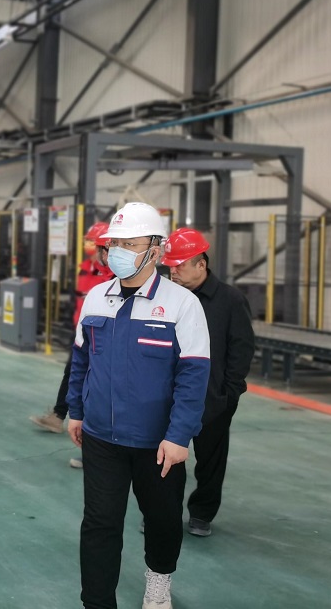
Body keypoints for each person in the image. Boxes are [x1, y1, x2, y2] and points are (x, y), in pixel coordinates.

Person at [67, 202, 210, 609]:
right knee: (99, 523)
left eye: (130, 244)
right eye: (115, 244)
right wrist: (76, 410)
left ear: (156, 250)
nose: (118, 252)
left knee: (162, 520)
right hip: (101, 437)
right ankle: (97, 602)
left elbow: (193, 376)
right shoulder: (96, 298)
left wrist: (179, 436)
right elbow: (81, 360)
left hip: (157, 443)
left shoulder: (182, 305)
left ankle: (159, 580)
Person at [161, 228, 254, 538]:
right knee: (165, 458)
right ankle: (162, 513)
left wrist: (229, 393)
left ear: (201, 264)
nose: (173, 271)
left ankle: (202, 513)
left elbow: (241, 349)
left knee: (211, 461)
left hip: (213, 398)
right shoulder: (167, 297)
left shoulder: (230, 300)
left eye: (179, 265)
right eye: (170, 266)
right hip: (169, 395)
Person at [30, 221, 112, 465]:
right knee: (74, 375)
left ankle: (95, 449)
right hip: (84, 334)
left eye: (95, 244)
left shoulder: (115, 274)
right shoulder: (85, 268)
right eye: (90, 243)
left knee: (97, 389)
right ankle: (61, 418)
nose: (91, 248)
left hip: (104, 339)